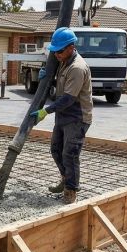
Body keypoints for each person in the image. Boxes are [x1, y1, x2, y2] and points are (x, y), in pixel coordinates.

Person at [30, 27, 93, 204]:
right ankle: (66, 180)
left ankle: (71, 191)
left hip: (77, 116)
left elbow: (68, 99)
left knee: (70, 154)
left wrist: (45, 111)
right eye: (55, 51)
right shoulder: (63, 61)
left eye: (60, 50)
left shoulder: (77, 68)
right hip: (64, 115)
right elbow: (59, 85)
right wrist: (46, 76)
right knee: (56, 149)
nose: (56, 54)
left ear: (71, 47)